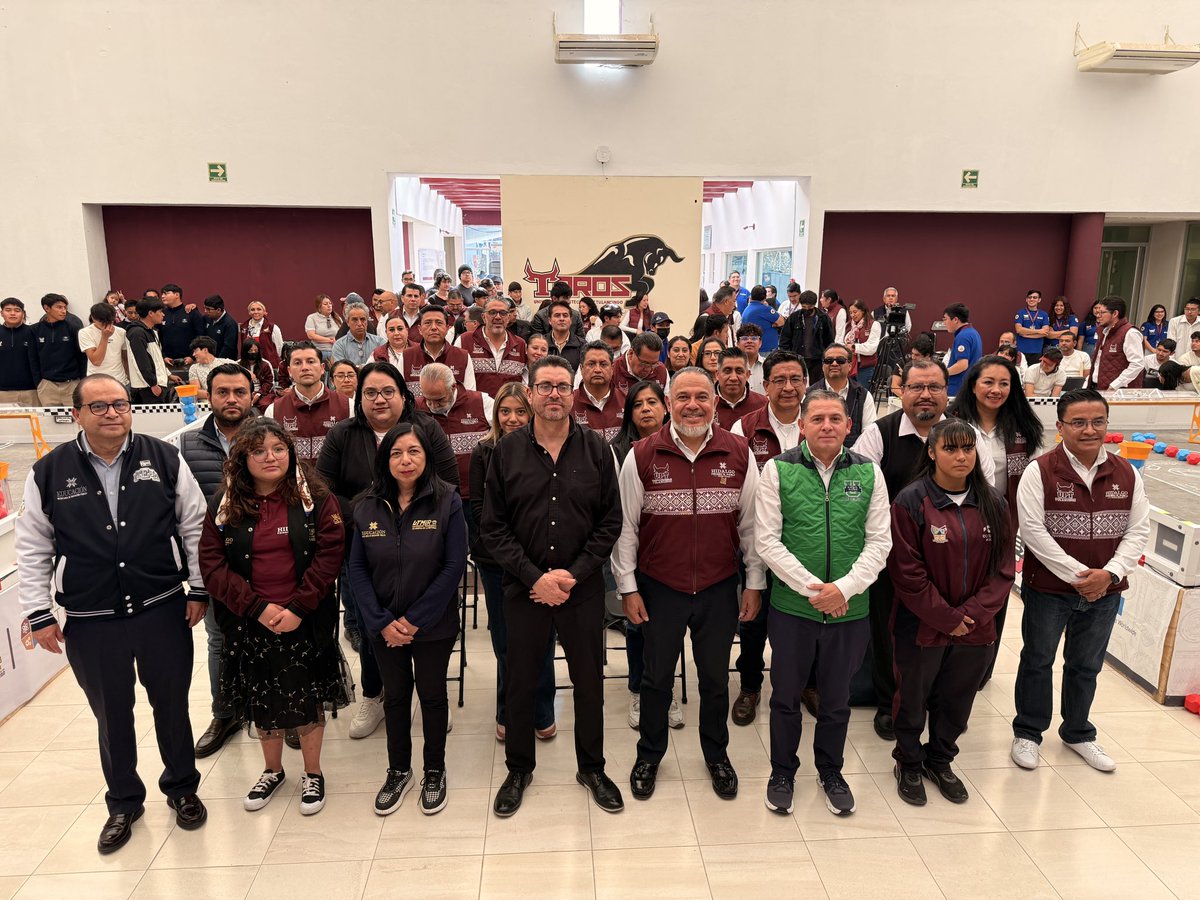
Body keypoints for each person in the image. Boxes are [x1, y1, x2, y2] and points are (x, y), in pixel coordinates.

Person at [15, 374, 210, 852]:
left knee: (172, 706)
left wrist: (199, 588)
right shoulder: (48, 471)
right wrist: (39, 613)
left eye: (120, 404)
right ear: (77, 414)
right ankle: (123, 801)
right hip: (90, 618)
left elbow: (194, 523)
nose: (112, 413)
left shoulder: (163, 458)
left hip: (161, 608)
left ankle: (182, 788)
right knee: (111, 714)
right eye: (98, 407)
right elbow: (33, 545)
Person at [482, 355, 624, 817]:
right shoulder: (505, 453)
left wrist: (573, 575)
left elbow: (610, 522)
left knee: (589, 682)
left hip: (580, 590)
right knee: (521, 681)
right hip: (524, 590)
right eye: (545, 386)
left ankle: (592, 767)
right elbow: (493, 528)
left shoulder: (598, 450)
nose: (554, 394)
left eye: (563, 386)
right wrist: (536, 577)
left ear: (574, 391)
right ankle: (519, 768)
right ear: (530, 393)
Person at [615, 368, 763, 802]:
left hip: (719, 587)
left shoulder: (738, 452)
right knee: (657, 679)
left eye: (701, 396)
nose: (692, 404)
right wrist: (627, 587)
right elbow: (626, 529)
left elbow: (752, 526)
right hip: (659, 586)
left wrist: (753, 583)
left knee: (716, 680)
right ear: (667, 403)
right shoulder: (642, 454)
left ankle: (716, 755)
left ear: (716, 402)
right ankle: (649, 754)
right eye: (682, 397)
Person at [199, 418, 347, 816]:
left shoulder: (315, 497)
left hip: (305, 617)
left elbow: (330, 554)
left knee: (307, 697)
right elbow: (212, 567)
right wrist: (257, 608)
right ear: (241, 459)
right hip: (251, 620)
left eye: (278, 449)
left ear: (290, 453)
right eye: (259, 450)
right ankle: (272, 770)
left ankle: (312, 772)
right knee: (262, 697)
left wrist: (298, 607)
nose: (270, 457)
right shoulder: (223, 504)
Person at [755, 390, 891, 816]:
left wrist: (844, 590)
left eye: (836, 418)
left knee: (836, 699)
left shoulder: (869, 473)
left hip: (850, 610)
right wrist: (818, 590)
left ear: (849, 426)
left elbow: (880, 542)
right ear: (802, 425)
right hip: (793, 609)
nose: (827, 426)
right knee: (786, 697)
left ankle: (831, 770)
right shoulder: (778, 470)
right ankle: (782, 771)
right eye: (818, 419)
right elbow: (767, 541)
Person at [854, 358, 996, 739]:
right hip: (894, 560)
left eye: (934, 387)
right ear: (901, 392)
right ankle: (889, 703)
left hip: (955, 559)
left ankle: (936, 705)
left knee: (947, 633)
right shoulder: (877, 434)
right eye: (916, 387)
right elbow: (860, 495)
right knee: (890, 634)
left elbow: (986, 494)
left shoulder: (968, 435)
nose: (925, 395)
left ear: (947, 391)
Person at [317, 362, 460, 742]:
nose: (379, 400)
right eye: (370, 393)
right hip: (364, 545)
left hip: (423, 546)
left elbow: (449, 483)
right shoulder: (343, 434)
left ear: (403, 395)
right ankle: (374, 695)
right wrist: (369, 512)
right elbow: (323, 490)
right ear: (358, 398)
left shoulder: (427, 429)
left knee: (425, 624)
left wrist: (406, 515)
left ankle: (430, 700)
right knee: (370, 625)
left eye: (387, 392)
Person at [1011, 389, 1150, 773]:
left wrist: (1110, 574)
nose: (1090, 430)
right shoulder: (1039, 471)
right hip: (1049, 591)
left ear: (1107, 424)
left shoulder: (1127, 473)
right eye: (1079, 422)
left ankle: (1078, 733)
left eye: (1098, 421)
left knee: (1085, 665)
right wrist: (1079, 576)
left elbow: (1138, 531)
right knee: (1038, 660)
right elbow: (1034, 532)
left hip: (1105, 591)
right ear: (1060, 427)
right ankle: (1028, 732)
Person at [888, 419, 1015, 805]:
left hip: (976, 628)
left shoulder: (993, 502)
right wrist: (946, 617)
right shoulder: (911, 501)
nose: (961, 457)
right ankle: (908, 761)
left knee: (957, 699)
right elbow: (907, 573)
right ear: (931, 453)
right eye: (950, 449)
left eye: (968, 449)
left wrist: (971, 616)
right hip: (922, 624)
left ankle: (940, 759)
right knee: (913, 696)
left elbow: (1003, 569)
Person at [348, 422, 466, 816]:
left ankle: (435, 769)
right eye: (397, 453)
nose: (405, 460)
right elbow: (357, 571)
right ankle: (399, 770)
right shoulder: (365, 504)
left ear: (427, 457)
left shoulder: (447, 500)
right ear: (386, 459)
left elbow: (452, 569)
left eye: (414, 451)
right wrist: (381, 622)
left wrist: (414, 621)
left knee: (432, 697)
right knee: (396, 698)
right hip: (382, 627)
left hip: (432, 625)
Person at [470, 383, 558, 742]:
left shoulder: (545, 449)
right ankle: (508, 708)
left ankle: (543, 709)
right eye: (505, 411)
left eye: (520, 411)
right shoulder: (483, 451)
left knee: (543, 638)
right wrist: (509, 550)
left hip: (541, 564)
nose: (512, 418)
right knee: (506, 641)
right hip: (497, 563)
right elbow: (478, 508)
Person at [181, 362, 257, 758]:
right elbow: (184, 513)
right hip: (215, 563)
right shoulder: (188, 445)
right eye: (223, 392)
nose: (231, 399)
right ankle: (225, 713)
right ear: (208, 397)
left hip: (267, 558)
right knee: (218, 641)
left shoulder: (271, 437)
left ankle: (277, 714)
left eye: (239, 392)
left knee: (276, 638)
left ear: (252, 395)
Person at [729, 351, 807, 726]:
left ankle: (804, 684)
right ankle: (749, 684)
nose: (788, 387)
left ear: (806, 384)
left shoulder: (820, 422)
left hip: (807, 542)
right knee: (753, 618)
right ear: (765, 385)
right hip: (757, 543)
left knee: (804, 620)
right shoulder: (744, 429)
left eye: (796, 379)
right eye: (780, 380)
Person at [607, 380, 682, 730]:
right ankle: (640, 689)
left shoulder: (682, 445)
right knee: (638, 628)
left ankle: (665, 694)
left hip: (671, 554)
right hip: (633, 552)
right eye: (638, 405)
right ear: (629, 413)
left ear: (665, 407)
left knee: (670, 629)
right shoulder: (617, 449)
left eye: (652, 402)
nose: (646, 409)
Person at [417, 362, 493, 524]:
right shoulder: (415, 409)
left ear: (453, 387)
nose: (432, 406)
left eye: (439, 400)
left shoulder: (481, 402)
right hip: (433, 498)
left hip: (475, 497)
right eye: (428, 399)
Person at [267, 341, 351, 463]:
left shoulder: (348, 406)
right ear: (289, 371)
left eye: (311, 362)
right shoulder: (274, 411)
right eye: (297, 363)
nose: (305, 367)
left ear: (322, 368)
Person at [461, 296, 528, 399]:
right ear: (483, 317)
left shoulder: (520, 344)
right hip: (476, 411)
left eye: (503, 313)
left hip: (509, 412)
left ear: (508, 317)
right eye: (492, 312)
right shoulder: (465, 341)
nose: (498, 317)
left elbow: (525, 383)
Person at [810, 343, 875, 446]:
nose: (834, 364)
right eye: (829, 361)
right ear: (823, 366)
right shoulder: (809, 395)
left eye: (840, 360)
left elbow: (869, 435)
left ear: (850, 365)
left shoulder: (863, 396)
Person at [402, 306, 477, 395]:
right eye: (428, 323)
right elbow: (400, 395)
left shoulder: (462, 356)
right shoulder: (406, 357)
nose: (433, 327)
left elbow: (469, 395)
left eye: (439, 323)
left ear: (447, 328)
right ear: (420, 329)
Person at [32, 292, 86, 405]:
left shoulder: (73, 328)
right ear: (46, 308)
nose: (63, 311)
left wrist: (81, 381)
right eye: (59, 307)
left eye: (65, 307)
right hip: (47, 386)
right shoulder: (35, 330)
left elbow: (82, 357)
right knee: (49, 421)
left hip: (72, 384)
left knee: (76, 419)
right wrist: (39, 382)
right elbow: (33, 358)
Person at [125, 297, 176, 403]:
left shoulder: (152, 331)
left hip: (157, 384)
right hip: (147, 388)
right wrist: (153, 384)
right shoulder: (137, 333)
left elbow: (157, 358)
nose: (163, 314)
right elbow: (140, 361)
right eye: (160, 311)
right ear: (151, 313)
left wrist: (168, 375)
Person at [572, 341, 625, 440]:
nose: (597, 369)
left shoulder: (626, 401)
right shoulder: (569, 402)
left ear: (612, 368)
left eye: (603, 364)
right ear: (581, 368)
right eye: (591, 364)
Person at [1090, 296, 1144, 390]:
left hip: (1117, 392)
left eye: (1102, 312)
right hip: (1097, 386)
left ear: (1115, 313)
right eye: (1098, 312)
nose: (1098, 315)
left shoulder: (1130, 333)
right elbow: (1097, 362)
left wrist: (1114, 385)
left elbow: (1137, 364)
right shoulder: (1103, 331)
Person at [779, 290, 834, 381]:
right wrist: (788, 357)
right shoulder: (794, 318)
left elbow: (829, 341)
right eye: (804, 307)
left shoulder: (823, 318)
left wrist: (827, 359)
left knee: (815, 388)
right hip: (797, 359)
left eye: (810, 307)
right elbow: (784, 340)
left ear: (814, 304)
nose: (807, 309)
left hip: (817, 360)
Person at [713, 346, 767, 430]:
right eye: (727, 371)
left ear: (748, 374)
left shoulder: (763, 405)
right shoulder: (706, 404)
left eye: (739, 371)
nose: (733, 377)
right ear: (717, 374)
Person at [0, 296, 40, 405]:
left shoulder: (33, 332)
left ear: (23, 313)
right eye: (8, 310)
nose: (13, 313)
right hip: (3, 392)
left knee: (35, 421)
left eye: (17, 310)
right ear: (1, 313)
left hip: (31, 391)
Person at [79, 301, 129, 386]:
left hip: (120, 381)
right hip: (96, 382)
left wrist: (129, 378)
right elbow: (96, 361)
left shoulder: (121, 332)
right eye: (102, 322)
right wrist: (105, 337)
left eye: (110, 321)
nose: (106, 325)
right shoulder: (85, 332)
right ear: (93, 318)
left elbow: (125, 358)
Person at [159, 284, 206, 373]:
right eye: (162, 294)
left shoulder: (191, 312)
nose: (162, 296)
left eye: (166, 293)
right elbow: (158, 337)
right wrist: (163, 356)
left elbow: (201, 336)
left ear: (177, 295)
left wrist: (193, 356)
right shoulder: (161, 314)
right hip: (167, 363)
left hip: (190, 362)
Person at [941, 303, 983, 397]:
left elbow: (962, 365)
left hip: (958, 389)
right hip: (968, 386)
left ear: (955, 319)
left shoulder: (963, 336)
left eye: (945, 319)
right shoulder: (974, 333)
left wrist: (942, 373)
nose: (944, 323)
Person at [333, 302, 386, 367]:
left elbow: (384, 367)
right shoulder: (339, 345)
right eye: (355, 320)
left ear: (367, 321)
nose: (359, 324)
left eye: (363, 319)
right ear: (347, 322)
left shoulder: (380, 342)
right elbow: (341, 369)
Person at [240, 300, 285, 377]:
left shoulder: (273, 327)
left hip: (269, 366)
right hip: (249, 367)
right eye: (252, 309)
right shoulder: (243, 327)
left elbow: (279, 347)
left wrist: (274, 362)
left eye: (259, 309)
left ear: (264, 312)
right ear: (249, 312)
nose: (255, 312)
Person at [845, 298, 882, 389]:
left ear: (863, 311)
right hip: (849, 366)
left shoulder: (874, 324)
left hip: (865, 367)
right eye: (850, 313)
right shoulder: (849, 325)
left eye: (855, 312)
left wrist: (854, 347)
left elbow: (871, 348)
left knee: (863, 396)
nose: (852, 315)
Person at [740, 285, 785, 354]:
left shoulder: (747, 309)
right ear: (765, 297)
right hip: (765, 350)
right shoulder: (764, 309)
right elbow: (781, 322)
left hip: (755, 348)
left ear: (751, 296)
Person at [890, 333, 936, 399]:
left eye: (917, 355)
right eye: (912, 354)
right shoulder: (903, 363)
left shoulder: (936, 367)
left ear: (927, 355)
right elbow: (894, 387)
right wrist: (909, 398)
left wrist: (907, 376)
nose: (913, 357)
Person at [239, 338, 278, 412]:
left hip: (263, 393)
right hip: (243, 392)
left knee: (265, 404)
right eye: (250, 351)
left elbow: (269, 383)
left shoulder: (266, 364)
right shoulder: (238, 364)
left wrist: (258, 394)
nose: (253, 353)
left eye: (255, 350)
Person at [546, 298, 585, 372]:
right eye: (557, 315)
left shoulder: (582, 345)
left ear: (570, 320)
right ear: (549, 320)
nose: (561, 319)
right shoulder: (542, 343)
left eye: (565, 315)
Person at [1013, 290, 1049, 364]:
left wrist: (1025, 334)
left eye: (1035, 297)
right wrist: (1038, 331)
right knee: (1021, 373)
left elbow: (1045, 332)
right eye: (1030, 297)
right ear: (1026, 299)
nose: (1032, 299)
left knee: (1034, 373)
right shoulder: (1020, 312)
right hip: (1021, 350)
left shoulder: (1044, 314)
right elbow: (1019, 330)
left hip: (1037, 350)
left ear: (1039, 300)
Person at [202, 295, 241, 360]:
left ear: (218, 310)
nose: (205, 311)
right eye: (205, 308)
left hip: (224, 364)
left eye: (208, 309)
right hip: (209, 360)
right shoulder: (207, 318)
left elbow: (228, 348)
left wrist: (217, 362)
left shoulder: (230, 324)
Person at [305, 294, 342, 360]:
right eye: (325, 304)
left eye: (330, 303)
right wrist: (329, 340)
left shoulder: (337, 318)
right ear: (319, 307)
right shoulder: (312, 318)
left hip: (336, 351)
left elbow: (343, 334)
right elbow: (311, 335)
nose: (329, 305)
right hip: (319, 351)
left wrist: (336, 340)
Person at [736, 325, 766, 394]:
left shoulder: (768, 365)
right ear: (737, 344)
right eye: (745, 338)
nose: (749, 341)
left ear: (760, 343)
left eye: (754, 338)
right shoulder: (733, 367)